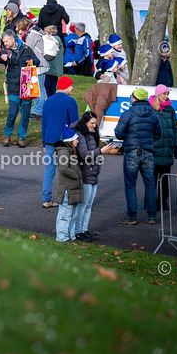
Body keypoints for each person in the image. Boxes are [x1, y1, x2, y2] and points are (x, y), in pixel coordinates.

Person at [113, 88, 161, 225]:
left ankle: (132, 216)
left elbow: (118, 134)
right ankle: (151, 216)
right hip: (148, 151)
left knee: (130, 185)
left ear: (134, 98)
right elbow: (159, 134)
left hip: (132, 151)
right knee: (150, 185)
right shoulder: (153, 114)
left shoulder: (128, 113)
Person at [0, 27, 40, 147]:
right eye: (4, 42)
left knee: (25, 115)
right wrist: (2, 57)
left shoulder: (26, 49)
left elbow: (38, 61)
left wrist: (31, 61)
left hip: (27, 86)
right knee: (13, 113)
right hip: (14, 86)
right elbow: (0, 58)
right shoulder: (6, 51)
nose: (5, 44)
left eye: (6, 41)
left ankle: (21, 137)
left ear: (13, 39)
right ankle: (7, 135)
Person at [41, 76, 80, 207]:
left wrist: (44, 142)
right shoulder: (70, 101)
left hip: (50, 140)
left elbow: (44, 123)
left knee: (49, 171)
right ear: (66, 87)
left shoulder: (48, 101)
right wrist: (76, 139)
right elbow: (74, 123)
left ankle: (46, 199)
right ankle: (67, 198)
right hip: (65, 141)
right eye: (71, 86)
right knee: (67, 169)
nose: (73, 88)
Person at [73, 112, 111, 242]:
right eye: (92, 123)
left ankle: (84, 229)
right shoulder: (80, 135)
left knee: (89, 206)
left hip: (94, 173)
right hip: (85, 174)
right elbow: (84, 154)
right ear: (85, 123)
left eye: (96, 123)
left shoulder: (91, 134)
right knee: (82, 206)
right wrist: (101, 151)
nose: (94, 126)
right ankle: (78, 231)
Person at [151, 84, 177, 211]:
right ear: (158, 94)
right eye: (164, 94)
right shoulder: (151, 108)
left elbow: (175, 128)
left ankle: (163, 202)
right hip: (154, 149)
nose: (166, 96)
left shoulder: (170, 109)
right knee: (152, 179)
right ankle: (151, 203)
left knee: (164, 179)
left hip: (167, 149)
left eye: (167, 94)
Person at [53, 126, 83, 242]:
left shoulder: (69, 151)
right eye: (76, 139)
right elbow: (63, 168)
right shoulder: (64, 152)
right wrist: (77, 176)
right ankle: (62, 237)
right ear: (70, 140)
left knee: (73, 215)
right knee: (65, 215)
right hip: (67, 189)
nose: (78, 141)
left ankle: (71, 236)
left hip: (73, 187)